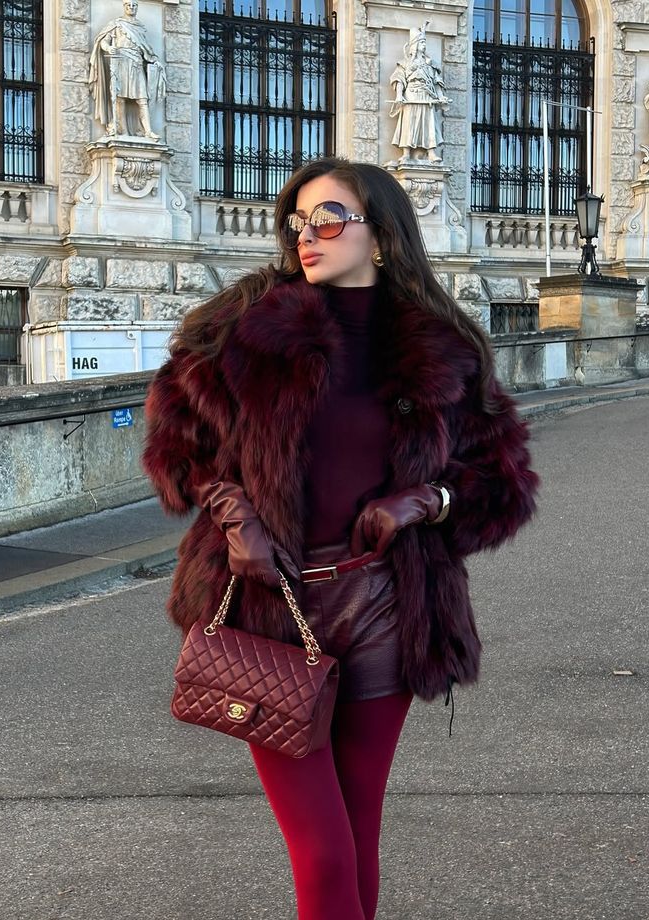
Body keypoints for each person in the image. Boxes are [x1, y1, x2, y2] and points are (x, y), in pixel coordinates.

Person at [142, 157, 540, 920]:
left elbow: (503, 480)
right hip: (270, 607)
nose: (307, 235)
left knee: (357, 838)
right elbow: (178, 449)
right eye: (298, 222)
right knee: (323, 852)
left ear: (381, 236)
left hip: (388, 606)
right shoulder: (241, 334)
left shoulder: (443, 350)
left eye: (327, 219)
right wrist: (236, 517)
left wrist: (426, 500)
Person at [88, 0, 165, 141]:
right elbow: (104, 41)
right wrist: (109, 48)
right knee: (120, 97)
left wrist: (155, 61)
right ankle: (122, 130)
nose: (131, 7)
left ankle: (148, 131)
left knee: (142, 98)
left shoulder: (140, 27)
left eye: (134, 5)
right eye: (128, 5)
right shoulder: (117, 24)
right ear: (124, 7)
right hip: (120, 61)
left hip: (136, 63)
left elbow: (146, 49)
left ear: (137, 7)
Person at [389, 23, 450, 163]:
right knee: (409, 123)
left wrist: (441, 97)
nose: (424, 45)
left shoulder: (430, 64)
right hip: (411, 95)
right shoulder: (405, 63)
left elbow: (437, 82)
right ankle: (406, 152)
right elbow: (399, 79)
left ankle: (431, 152)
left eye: (425, 42)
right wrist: (399, 95)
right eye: (422, 42)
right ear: (415, 45)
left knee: (429, 123)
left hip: (427, 96)